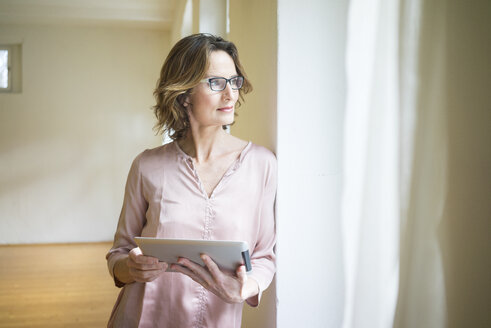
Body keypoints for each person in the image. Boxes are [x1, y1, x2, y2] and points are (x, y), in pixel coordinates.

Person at [106, 33, 277, 328]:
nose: (230, 94)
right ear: (183, 94)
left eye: (234, 81)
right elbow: (118, 256)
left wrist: (245, 289)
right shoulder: (146, 166)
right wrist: (131, 268)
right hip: (143, 319)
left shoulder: (261, 164)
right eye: (216, 82)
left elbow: (264, 256)